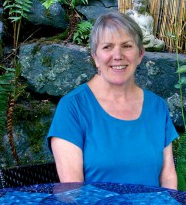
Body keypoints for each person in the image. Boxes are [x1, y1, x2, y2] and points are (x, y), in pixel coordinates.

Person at [47, 11, 178, 189]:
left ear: (140, 54)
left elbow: (168, 176)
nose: (118, 55)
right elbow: (73, 192)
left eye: (127, 46)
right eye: (107, 47)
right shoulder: (73, 107)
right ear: (95, 57)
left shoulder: (157, 107)